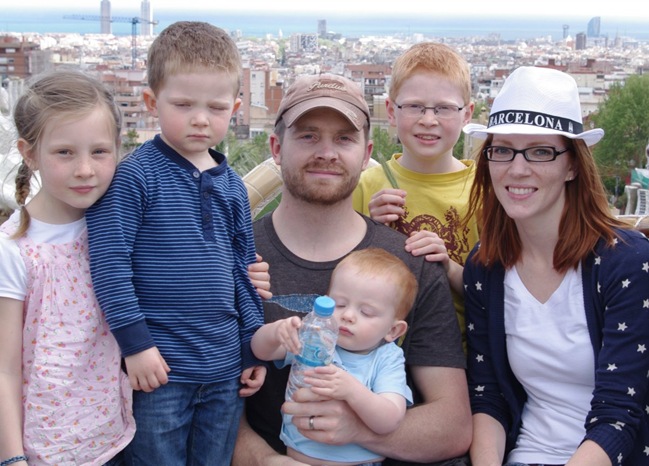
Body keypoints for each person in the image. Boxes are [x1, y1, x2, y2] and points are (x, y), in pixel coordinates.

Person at [233, 73, 471, 466]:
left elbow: (453, 424)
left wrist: (359, 431)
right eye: (308, 136)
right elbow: (203, 396)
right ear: (276, 147)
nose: (326, 152)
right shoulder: (232, 259)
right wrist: (265, 460)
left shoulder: (408, 265)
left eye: (344, 139)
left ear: (365, 154)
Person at [85, 21, 265, 464]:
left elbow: (243, 270)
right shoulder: (134, 177)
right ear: (152, 102)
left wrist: (252, 343)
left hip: (224, 369)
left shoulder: (232, 186)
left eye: (216, 107)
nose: (200, 118)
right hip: (159, 369)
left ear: (235, 108)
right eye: (183, 105)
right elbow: (110, 265)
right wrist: (136, 345)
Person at [462, 65, 649, 466]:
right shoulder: (485, 266)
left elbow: (620, 413)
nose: (517, 168)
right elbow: (488, 395)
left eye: (540, 151)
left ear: (573, 165)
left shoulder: (626, 263)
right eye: (503, 149)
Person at [0, 70, 134, 466]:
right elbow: (4, 369)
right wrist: (12, 457)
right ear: (29, 154)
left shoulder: (119, 228)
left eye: (99, 151)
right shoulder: (14, 250)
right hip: (44, 450)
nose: (85, 169)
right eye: (64, 152)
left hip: (115, 437)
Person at [352, 42, 479, 343]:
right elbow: (343, 280)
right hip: (374, 350)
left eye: (444, 108)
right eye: (414, 106)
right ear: (391, 111)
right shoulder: (366, 186)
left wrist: (447, 265)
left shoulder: (482, 191)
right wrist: (371, 230)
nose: (428, 120)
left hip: (460, 350)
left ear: (467, 114)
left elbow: (494, 292)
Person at [252, 248, 417, 465]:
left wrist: (351, 390)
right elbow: (260, 351)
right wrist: (276, 332)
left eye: (366, 312)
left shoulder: (387, 358)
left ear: (393, 330)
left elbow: (390, 420)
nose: (347, 315)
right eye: (340, 304)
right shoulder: (315, 336)